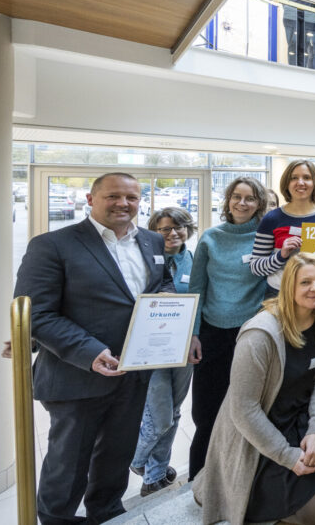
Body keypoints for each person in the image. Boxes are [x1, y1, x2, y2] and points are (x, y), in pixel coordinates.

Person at [16, 173, 176, 524]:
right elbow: (37, 314)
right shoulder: (53, 245)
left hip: (133, 373)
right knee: (68, 465)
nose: (123, 204)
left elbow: (161, 284)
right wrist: (89, 352)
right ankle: (55, 518)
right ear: (91, 199)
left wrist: (169, 307)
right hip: (76, 376)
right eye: (113, 196)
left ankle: (106, 514)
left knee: (115, 458)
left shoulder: (151, 240)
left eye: (131, 198)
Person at [193, 253, 315, 525]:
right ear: (289, 287)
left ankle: (303, 476)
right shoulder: (260, 335)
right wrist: (288, 457)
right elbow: (244, 410)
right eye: (305, 282)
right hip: (259, 433)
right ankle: (223, 489)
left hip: (297, 417)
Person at [188, 177, 270, 477]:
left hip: (251, 333)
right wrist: (193, 333)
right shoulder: (210, 237)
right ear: (228, 200)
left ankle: (241, 475)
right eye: (237, 196)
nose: (242, 203)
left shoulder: (266, 237)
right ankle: (198, 477)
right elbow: (197, 288)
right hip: (211, 333)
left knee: (247, 408)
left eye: (250, 198)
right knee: (205, 412)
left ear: (259, 203)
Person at [130, 207, 197, 496]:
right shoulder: (142, 259)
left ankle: (154, 476)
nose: (173, 233)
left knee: (174, 411)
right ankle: (136, 460)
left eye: (179, 227)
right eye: (165, 228)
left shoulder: (192, 257)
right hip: (151, 349)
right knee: (160, 417)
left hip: (184, 347)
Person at [251, 160, 315, 295]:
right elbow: (255, 268)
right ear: (287, 183)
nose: (300, 182)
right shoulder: (272, 218)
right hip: (280, 295)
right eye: (294, 178)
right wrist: (281, 255)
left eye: (306, 177)